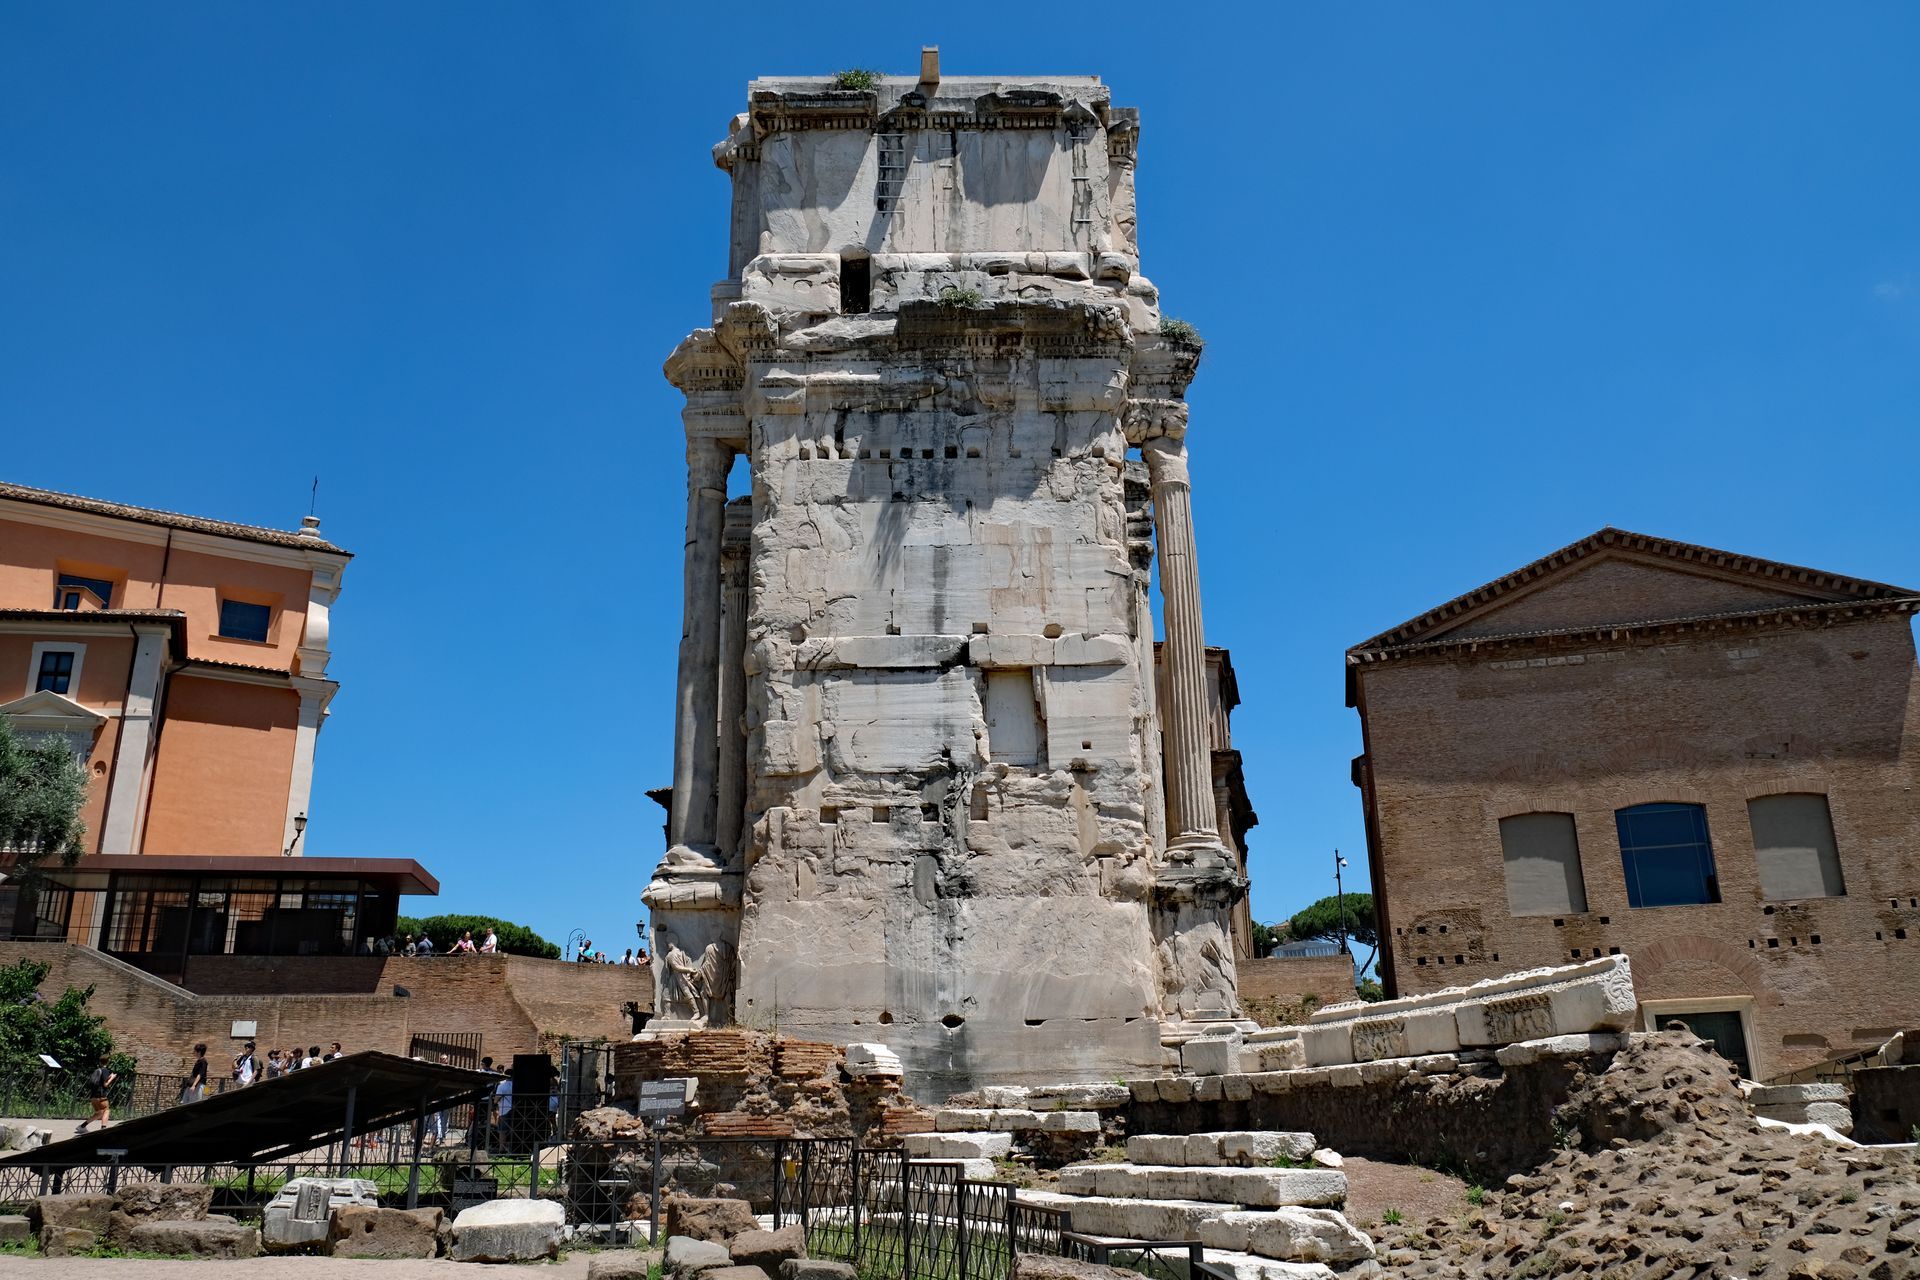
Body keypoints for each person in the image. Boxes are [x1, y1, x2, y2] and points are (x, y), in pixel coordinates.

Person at [75, 1062, 116, 1134]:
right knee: (106, 1111)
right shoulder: (105, 1070)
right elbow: (105, 1084)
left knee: (99, 1114)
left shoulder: (97, 1071)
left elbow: (100, 1082)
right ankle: (103, 1130)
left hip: (93, 1097)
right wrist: (112, 1078)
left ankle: (82, 1126)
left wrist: (109, 1077)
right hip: (101, 1096)